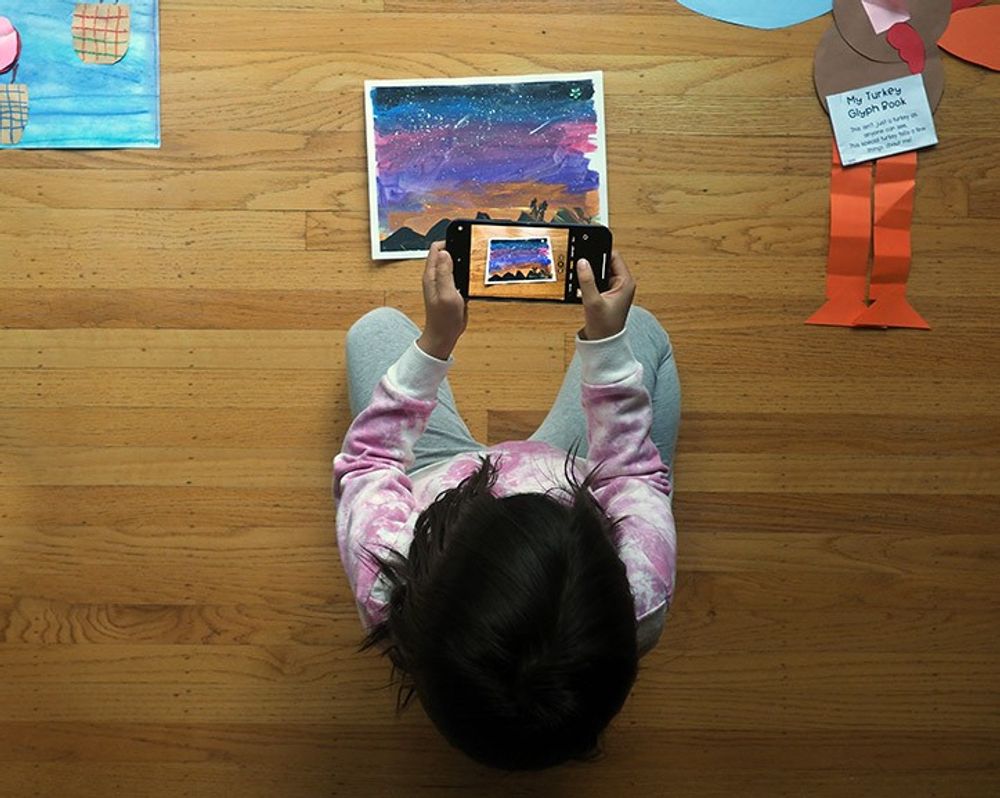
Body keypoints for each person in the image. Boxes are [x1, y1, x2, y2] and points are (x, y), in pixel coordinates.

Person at [333, 242, 680, 771]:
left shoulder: (387, 579)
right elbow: (632, 472)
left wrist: (434, 345)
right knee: (643, 329)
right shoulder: (645, 592)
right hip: (580, 462)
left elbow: (368, 461)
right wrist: (606, 347)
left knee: (374, 328)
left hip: (438, 472)